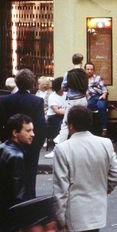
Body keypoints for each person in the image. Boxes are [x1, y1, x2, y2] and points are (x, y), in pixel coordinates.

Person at [53, 106, 117, 232]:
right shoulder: (105, 143)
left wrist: (60, 219)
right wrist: (101, 190)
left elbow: (60, 190)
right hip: (97, 212)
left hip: (74, 215)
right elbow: (115, 176)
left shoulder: (62, 149)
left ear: (70, 125)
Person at [0, 69, 46, 198]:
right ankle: (29, 209)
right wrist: (36, 146)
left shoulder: (4, 100)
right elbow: (41, 127)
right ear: (32, 84)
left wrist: (5, 140)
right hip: (30, 146)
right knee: (29, 180)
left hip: (11, 144)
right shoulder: (37, 101)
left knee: (9, 180)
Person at [0, 114, 35, 230]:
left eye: (32, 130)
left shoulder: (3, 147)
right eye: (28, 131)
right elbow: (19, 195)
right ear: (15, 133)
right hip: (12, 217)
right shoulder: (17, 156)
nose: (32, 134)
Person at [52, 53, 88, 154]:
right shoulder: (84, 73)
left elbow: (63, 86)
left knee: (66, 123)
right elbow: (86, 87)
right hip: (82, 99)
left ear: (73, 61)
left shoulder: (68, 73)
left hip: (72, 100)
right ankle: (83, 147)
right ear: (81, 61)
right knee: (82, 122)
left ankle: (60, 147)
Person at [84, 62, 109, 136]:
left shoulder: (98, 78)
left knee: (101, 106)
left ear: (93, 70)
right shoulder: (83, 80)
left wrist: (104, 95)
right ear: (85, 70)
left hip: (99, 97)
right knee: (86, 106)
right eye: (88, 69)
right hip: (90, 99)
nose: (89, 71)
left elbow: (104, 89)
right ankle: (87, 130)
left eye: (91, 69)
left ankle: (104, 129)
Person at [45, 77, 66, 152]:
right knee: (63, 123)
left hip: (63, 115)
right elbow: (56, 111)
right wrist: (68, 111)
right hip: (53, 116)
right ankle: (59, 141)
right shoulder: (52, 96)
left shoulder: (66, 94)